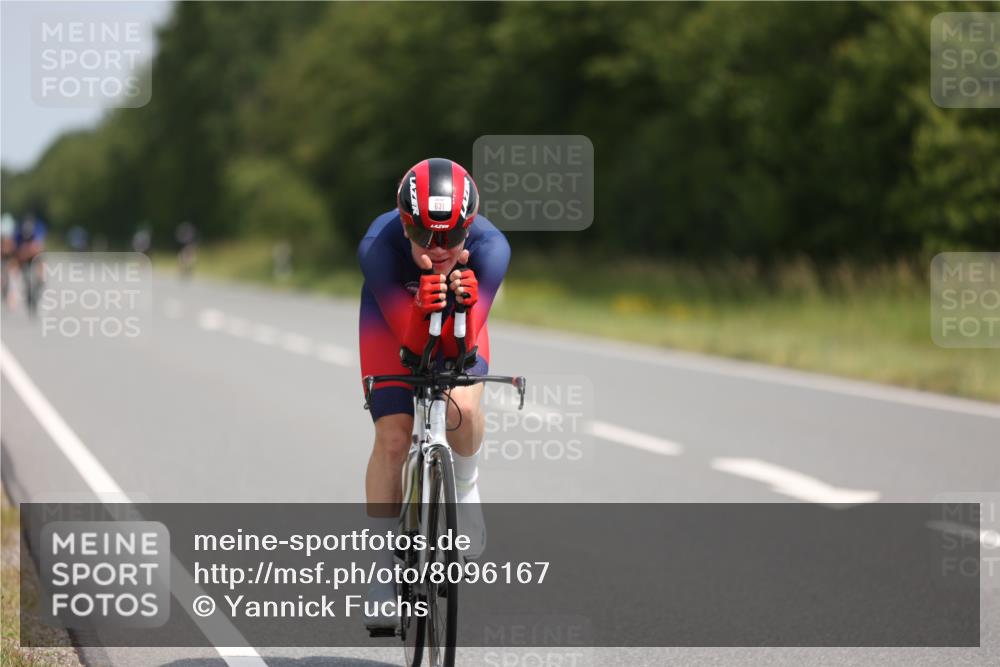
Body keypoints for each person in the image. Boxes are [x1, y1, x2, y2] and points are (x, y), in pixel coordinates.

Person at [357, 158, 510, 628]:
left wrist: (460, 305)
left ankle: (465, 485)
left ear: (470, 226)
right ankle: (380, 572)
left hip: (461, 325)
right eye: (424, 236)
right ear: (405, 225)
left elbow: (460, 350)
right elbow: (409, 345)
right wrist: (421, 309)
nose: (438, 249)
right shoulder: (379, 247)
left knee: (461, 406)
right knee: (394, 438)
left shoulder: (490, 249)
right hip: (392, 324)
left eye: (451, 237)